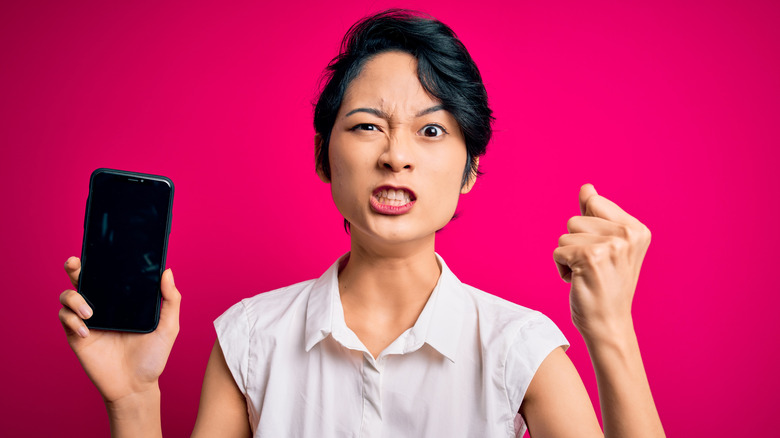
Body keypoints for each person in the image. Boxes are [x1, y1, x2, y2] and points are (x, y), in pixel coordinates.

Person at [58, 9, 665, 438]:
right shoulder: (248, 340)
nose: (395, 154)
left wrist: (610, 328)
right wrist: (133, 399)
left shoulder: (518, 348)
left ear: (471, 170)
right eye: (368, 125)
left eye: (431, 130)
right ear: (325, 157)